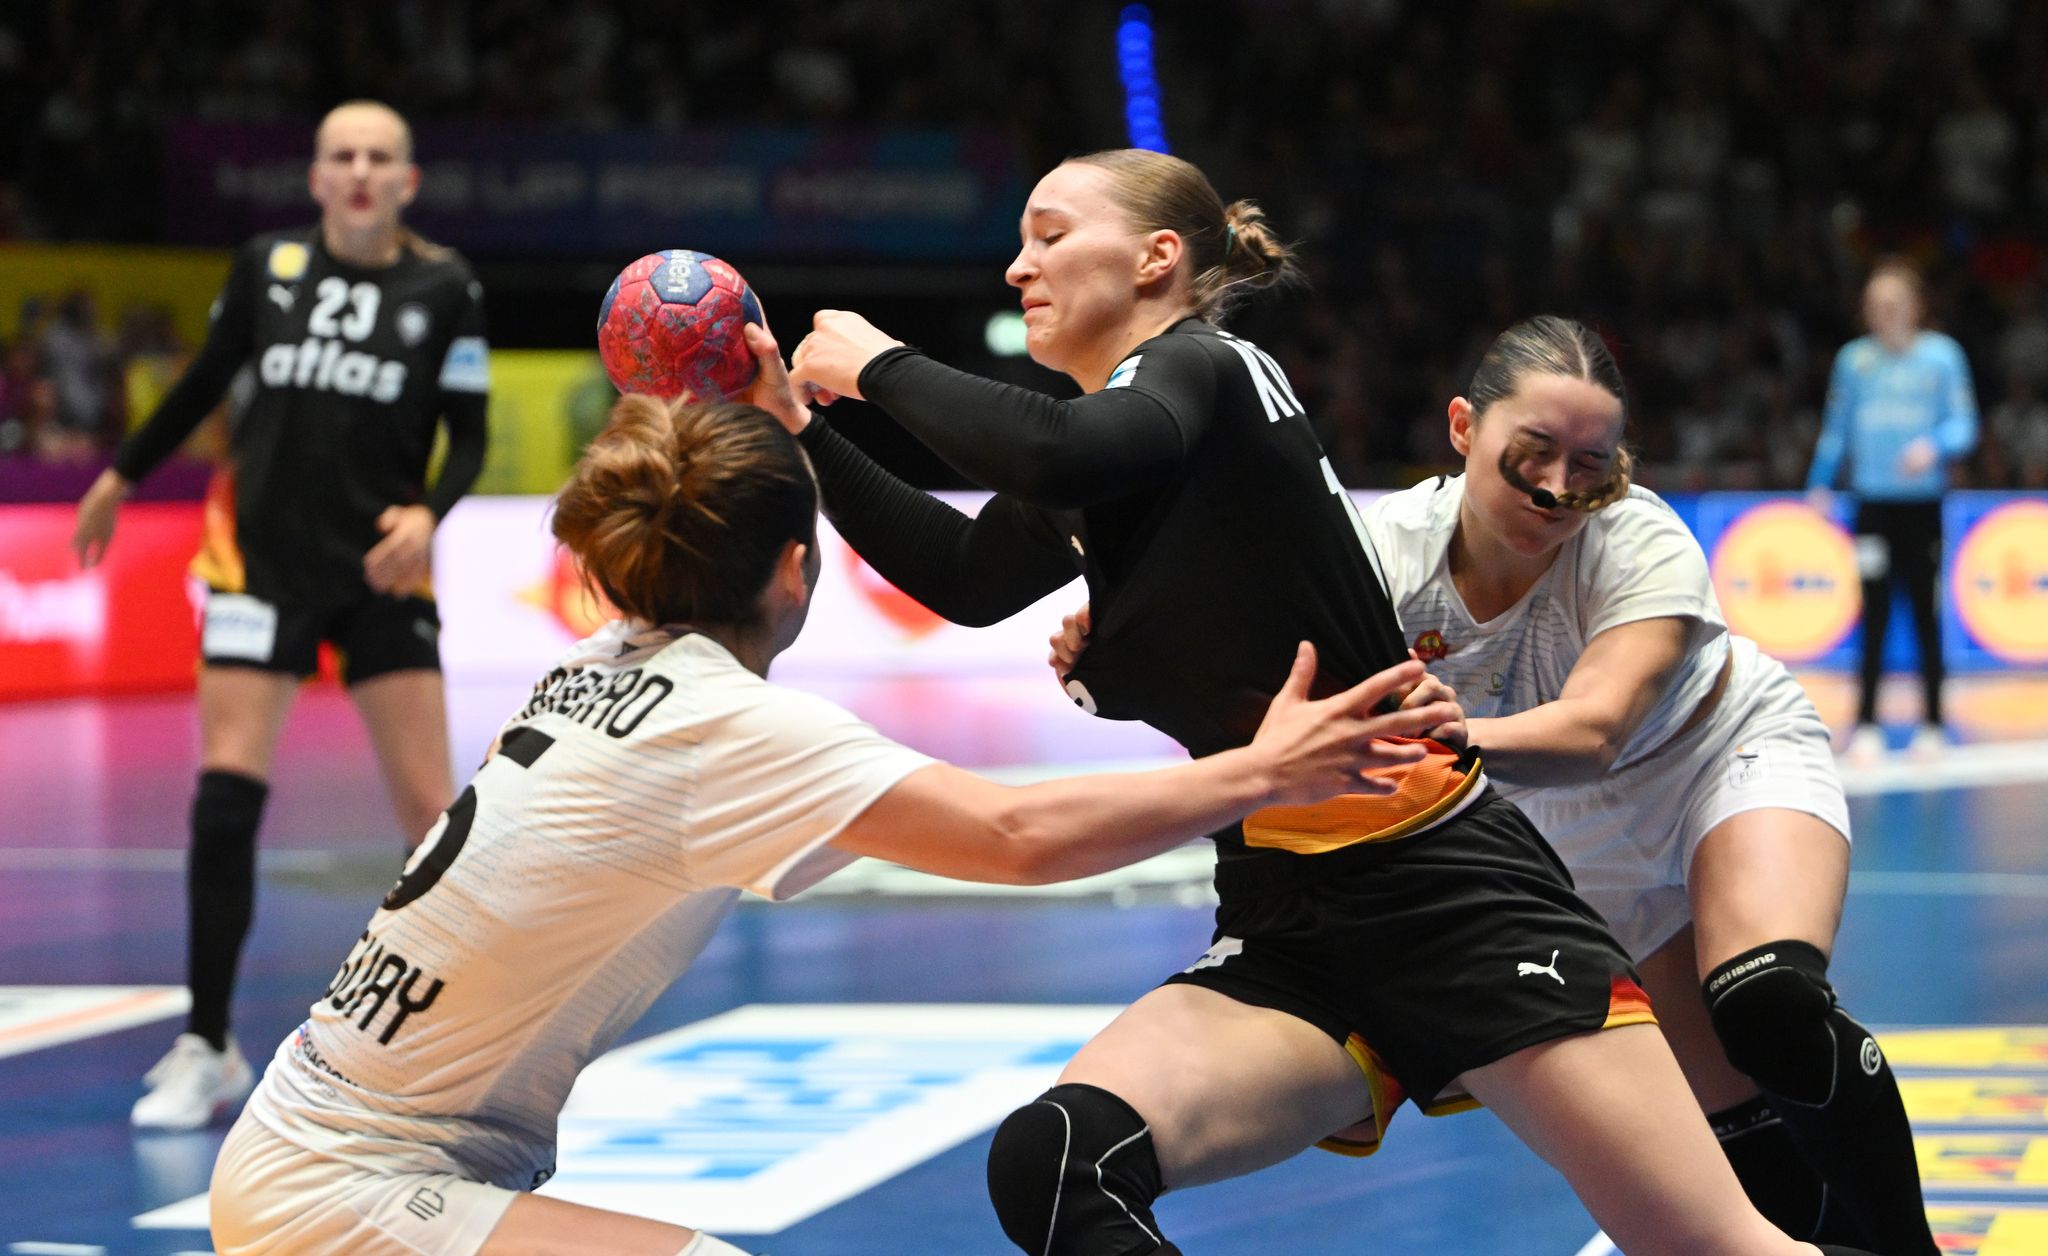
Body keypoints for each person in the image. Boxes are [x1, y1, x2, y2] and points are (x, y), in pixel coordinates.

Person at [774, 148, 1881, 1256]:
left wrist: (879, 367)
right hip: (1286, 906)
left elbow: (1063, 452)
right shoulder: (1122, 443)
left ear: (1157, 258)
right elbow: (969, 579)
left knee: (1725, 1248)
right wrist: (801, 428)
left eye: (1050, 234)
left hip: (1440, 887)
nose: (1019, 267)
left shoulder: (1207, 367)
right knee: (1058, 1163)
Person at [207, 392, 1456, 1256]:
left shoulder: (592, 663)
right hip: (352, 1191)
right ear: (794, 573)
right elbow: (1016, 835)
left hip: (318, 1141)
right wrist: (1260, 771)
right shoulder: (715, 727)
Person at [70, 100, 491, 1131]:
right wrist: (121, 475)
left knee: (431, 821)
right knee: (224, 798)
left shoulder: (447, 287)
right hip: (257, 567)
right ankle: (206, 1043)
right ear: (316, 177)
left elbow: (470, 434)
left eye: (379, 157)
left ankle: (459, 1048)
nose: (360, 170)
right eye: (342, 155)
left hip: (381, 574)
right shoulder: (266, 268)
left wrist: (428, 513)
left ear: (407, 180)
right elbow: (204, 381)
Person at [1806, 259, 1979, 764]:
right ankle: (1867, 725)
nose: (1885, 312)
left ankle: (1933, 724)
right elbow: (1837, 428)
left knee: (1925, 611)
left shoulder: (1943, 357)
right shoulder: (1854, 361)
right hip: (1872, 506)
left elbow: (1965, 424)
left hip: (1922, 505)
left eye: (1894, 303)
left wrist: (1934, 446)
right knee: (1874, 611)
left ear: (1915, 306)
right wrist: (1819, 481)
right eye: (1876, 304)